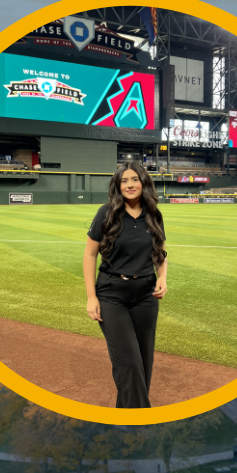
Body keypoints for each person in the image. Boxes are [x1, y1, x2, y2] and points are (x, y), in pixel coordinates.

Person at [82, 161, 168, 409]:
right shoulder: (106, 213)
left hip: (146, 295)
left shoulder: (154, 215)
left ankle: (125, 418)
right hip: (111, 294)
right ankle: (141, 423)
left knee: (143, 363)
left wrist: (162, 277)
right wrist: (91, 297)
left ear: (144, 182)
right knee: (128, 363)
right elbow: (89, 255)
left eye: (134, 179)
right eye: (124, 181)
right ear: (118, 186)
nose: (130, 185)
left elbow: (161, 253)